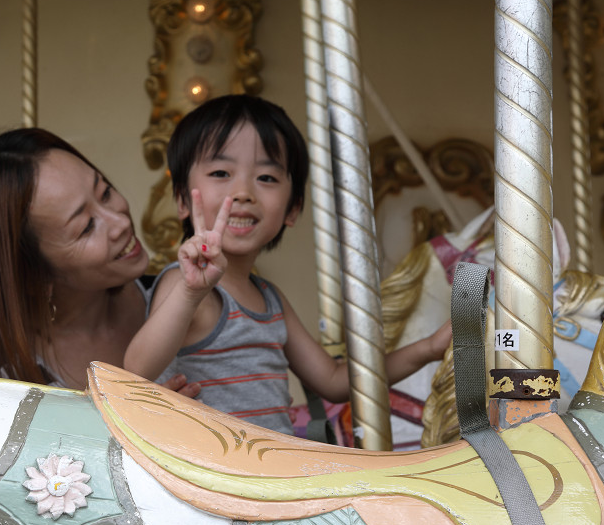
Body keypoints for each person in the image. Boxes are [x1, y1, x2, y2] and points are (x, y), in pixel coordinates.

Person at [124, 95, 450, 434]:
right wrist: (191, 292)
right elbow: (136, 371)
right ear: (181, 200)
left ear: (292, 209)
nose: (243, 191)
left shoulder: (270, 299)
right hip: (209, 465)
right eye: (221, 173)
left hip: (270, 463)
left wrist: (428, 349)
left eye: (266, 177)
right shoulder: (185, 285)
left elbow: (334, 381)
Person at [0, 128, 198, 395]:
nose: (120, 222)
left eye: (105, 192)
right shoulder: (1, 383)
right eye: (86, 227)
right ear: (34, 277)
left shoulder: (187, 300)